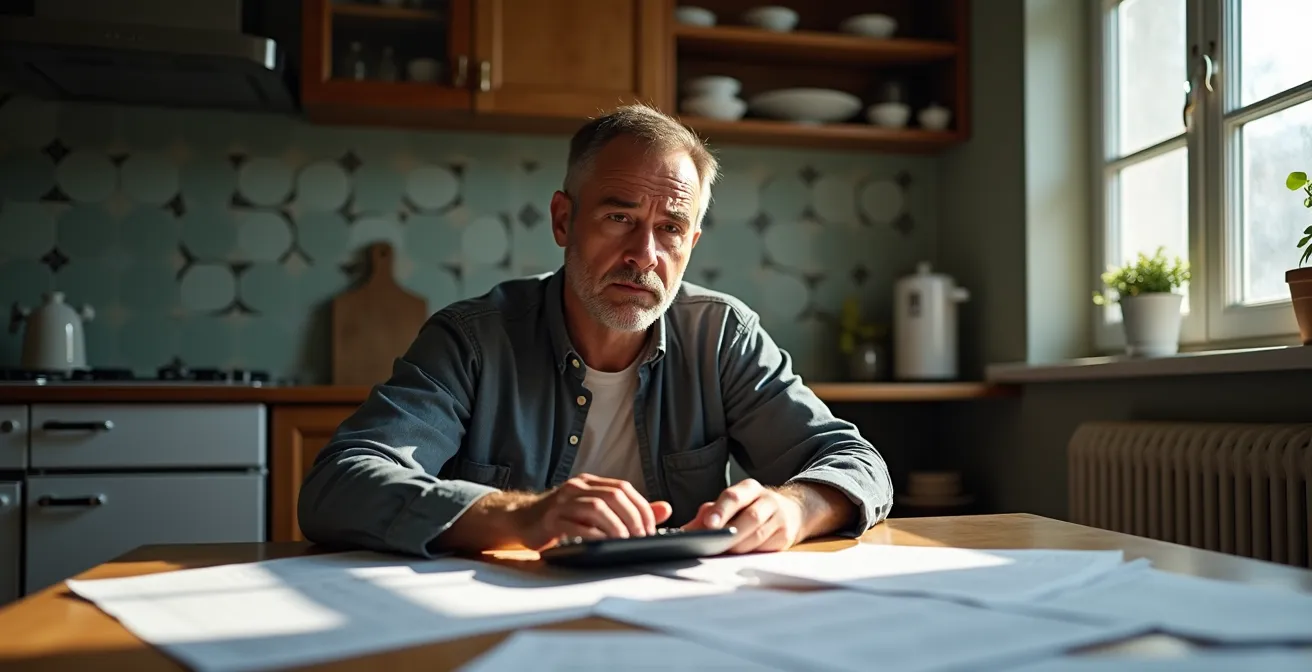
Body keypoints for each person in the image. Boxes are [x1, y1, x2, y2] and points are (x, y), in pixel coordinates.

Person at [298, 104, 894, 558]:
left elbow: (855, 461)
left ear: (692, 245)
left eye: (670, 229)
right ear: (564, 220)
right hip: (504, 616)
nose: (644, 254)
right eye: (619, 218)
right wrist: (522, 517)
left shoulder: (721, 336)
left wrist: (794, 509)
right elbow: (338, 485)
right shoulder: (473, 340)